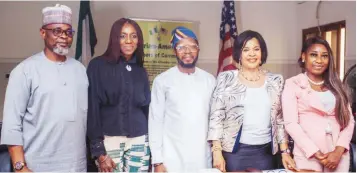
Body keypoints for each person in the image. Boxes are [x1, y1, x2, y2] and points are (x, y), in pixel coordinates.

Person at [0, 4, 88, 172]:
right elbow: (11, 125)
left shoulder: (80, 70)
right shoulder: (24, 71)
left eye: (68, 32)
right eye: (56, 31)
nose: (63, 36)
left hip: (77, 166)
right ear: (43, 33)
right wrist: (20, 167)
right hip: (37, 166)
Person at [207, 30, 295, 172]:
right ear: (239, 55)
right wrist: (216, 152)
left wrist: (285, 152)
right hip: (234, 153)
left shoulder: (276, 80)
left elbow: (279, 120)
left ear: (262, 52)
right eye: (246, 50)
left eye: (256, 49)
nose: (252, 54)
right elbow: (217, 117)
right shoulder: (226, 78)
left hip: (266, 153)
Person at [282, 36, 355, 172]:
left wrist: (339, 150)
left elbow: (349, 121)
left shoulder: (336, 84)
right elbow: (291, 123)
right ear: (304, 56)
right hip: (307, 154)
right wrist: (316, 153)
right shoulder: (293, 84)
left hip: (338, 156)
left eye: (324, 56)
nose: (319, 60)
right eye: (314, 55)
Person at [86, 18, 151, 172]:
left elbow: (147, 110)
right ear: (115, 38)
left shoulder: (140, 70)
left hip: (140, 141)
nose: (129, 41)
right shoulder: (98, 66)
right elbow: (92, 110)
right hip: (109, 142)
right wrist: (99, 151)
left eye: (134, 36)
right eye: (123, 36)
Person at [149, 26, 216, 172]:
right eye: (181, 47)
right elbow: (155, 122)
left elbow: (215, 120)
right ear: (174, 51)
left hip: (202, 158)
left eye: (192, 47)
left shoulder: (209, 80)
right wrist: (157, 161)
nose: (187, 51)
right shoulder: (162, 81)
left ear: (198, 50)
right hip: (171, 159)